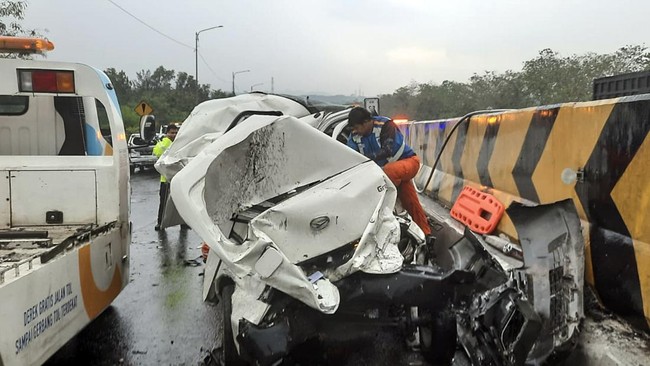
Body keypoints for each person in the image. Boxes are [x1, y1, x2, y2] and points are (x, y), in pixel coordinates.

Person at [346, 107, 431, 235]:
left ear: (366, 122)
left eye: (357, 127)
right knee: (412, 203)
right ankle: (427, 235)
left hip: (408, 163)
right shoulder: (354, 136)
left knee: (385, 176)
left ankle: (389, 210)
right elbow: (350, 157)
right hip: (389, 174)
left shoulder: (386, 125)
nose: (355, 131)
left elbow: (387, 150)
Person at [153, 124, 178, 231]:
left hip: (177, 178)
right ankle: (160, 223)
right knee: (164, 203)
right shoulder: (165, 143)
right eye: (171, 132)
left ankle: (183, 224)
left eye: (175, 132)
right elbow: (156, 152)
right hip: (166, 180)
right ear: (167, 133)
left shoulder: (180, 143)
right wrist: (167, 141)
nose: (174, 134)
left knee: (179, 203)